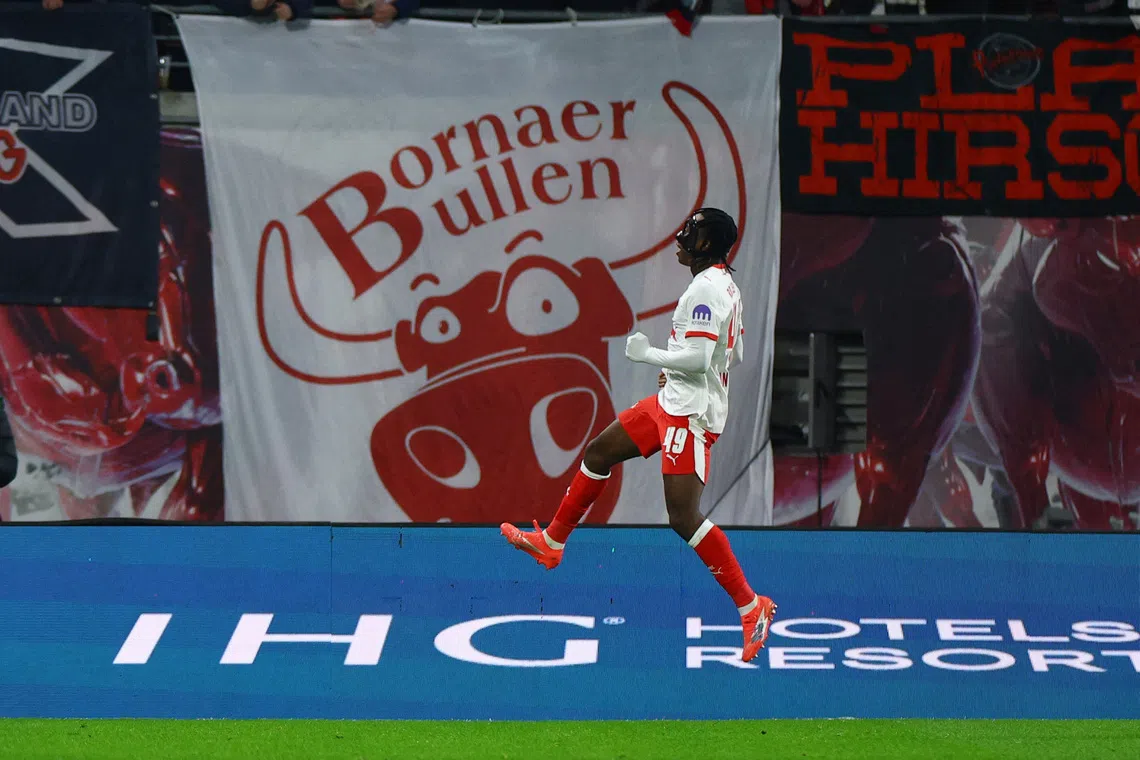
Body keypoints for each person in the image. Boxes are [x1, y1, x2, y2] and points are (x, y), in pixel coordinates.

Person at [501, 208, 777, 663]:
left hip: (689, 416)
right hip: (673, 403)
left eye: (692, 231)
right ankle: (552, 542)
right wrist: (684, 370)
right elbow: (733, 349)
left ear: (706, 244)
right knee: (599, 452)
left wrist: (651, 355)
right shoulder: (724, 282)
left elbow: (699, 357)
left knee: (683, 517)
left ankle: (752, 607)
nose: (681, 236)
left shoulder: (707, 288)